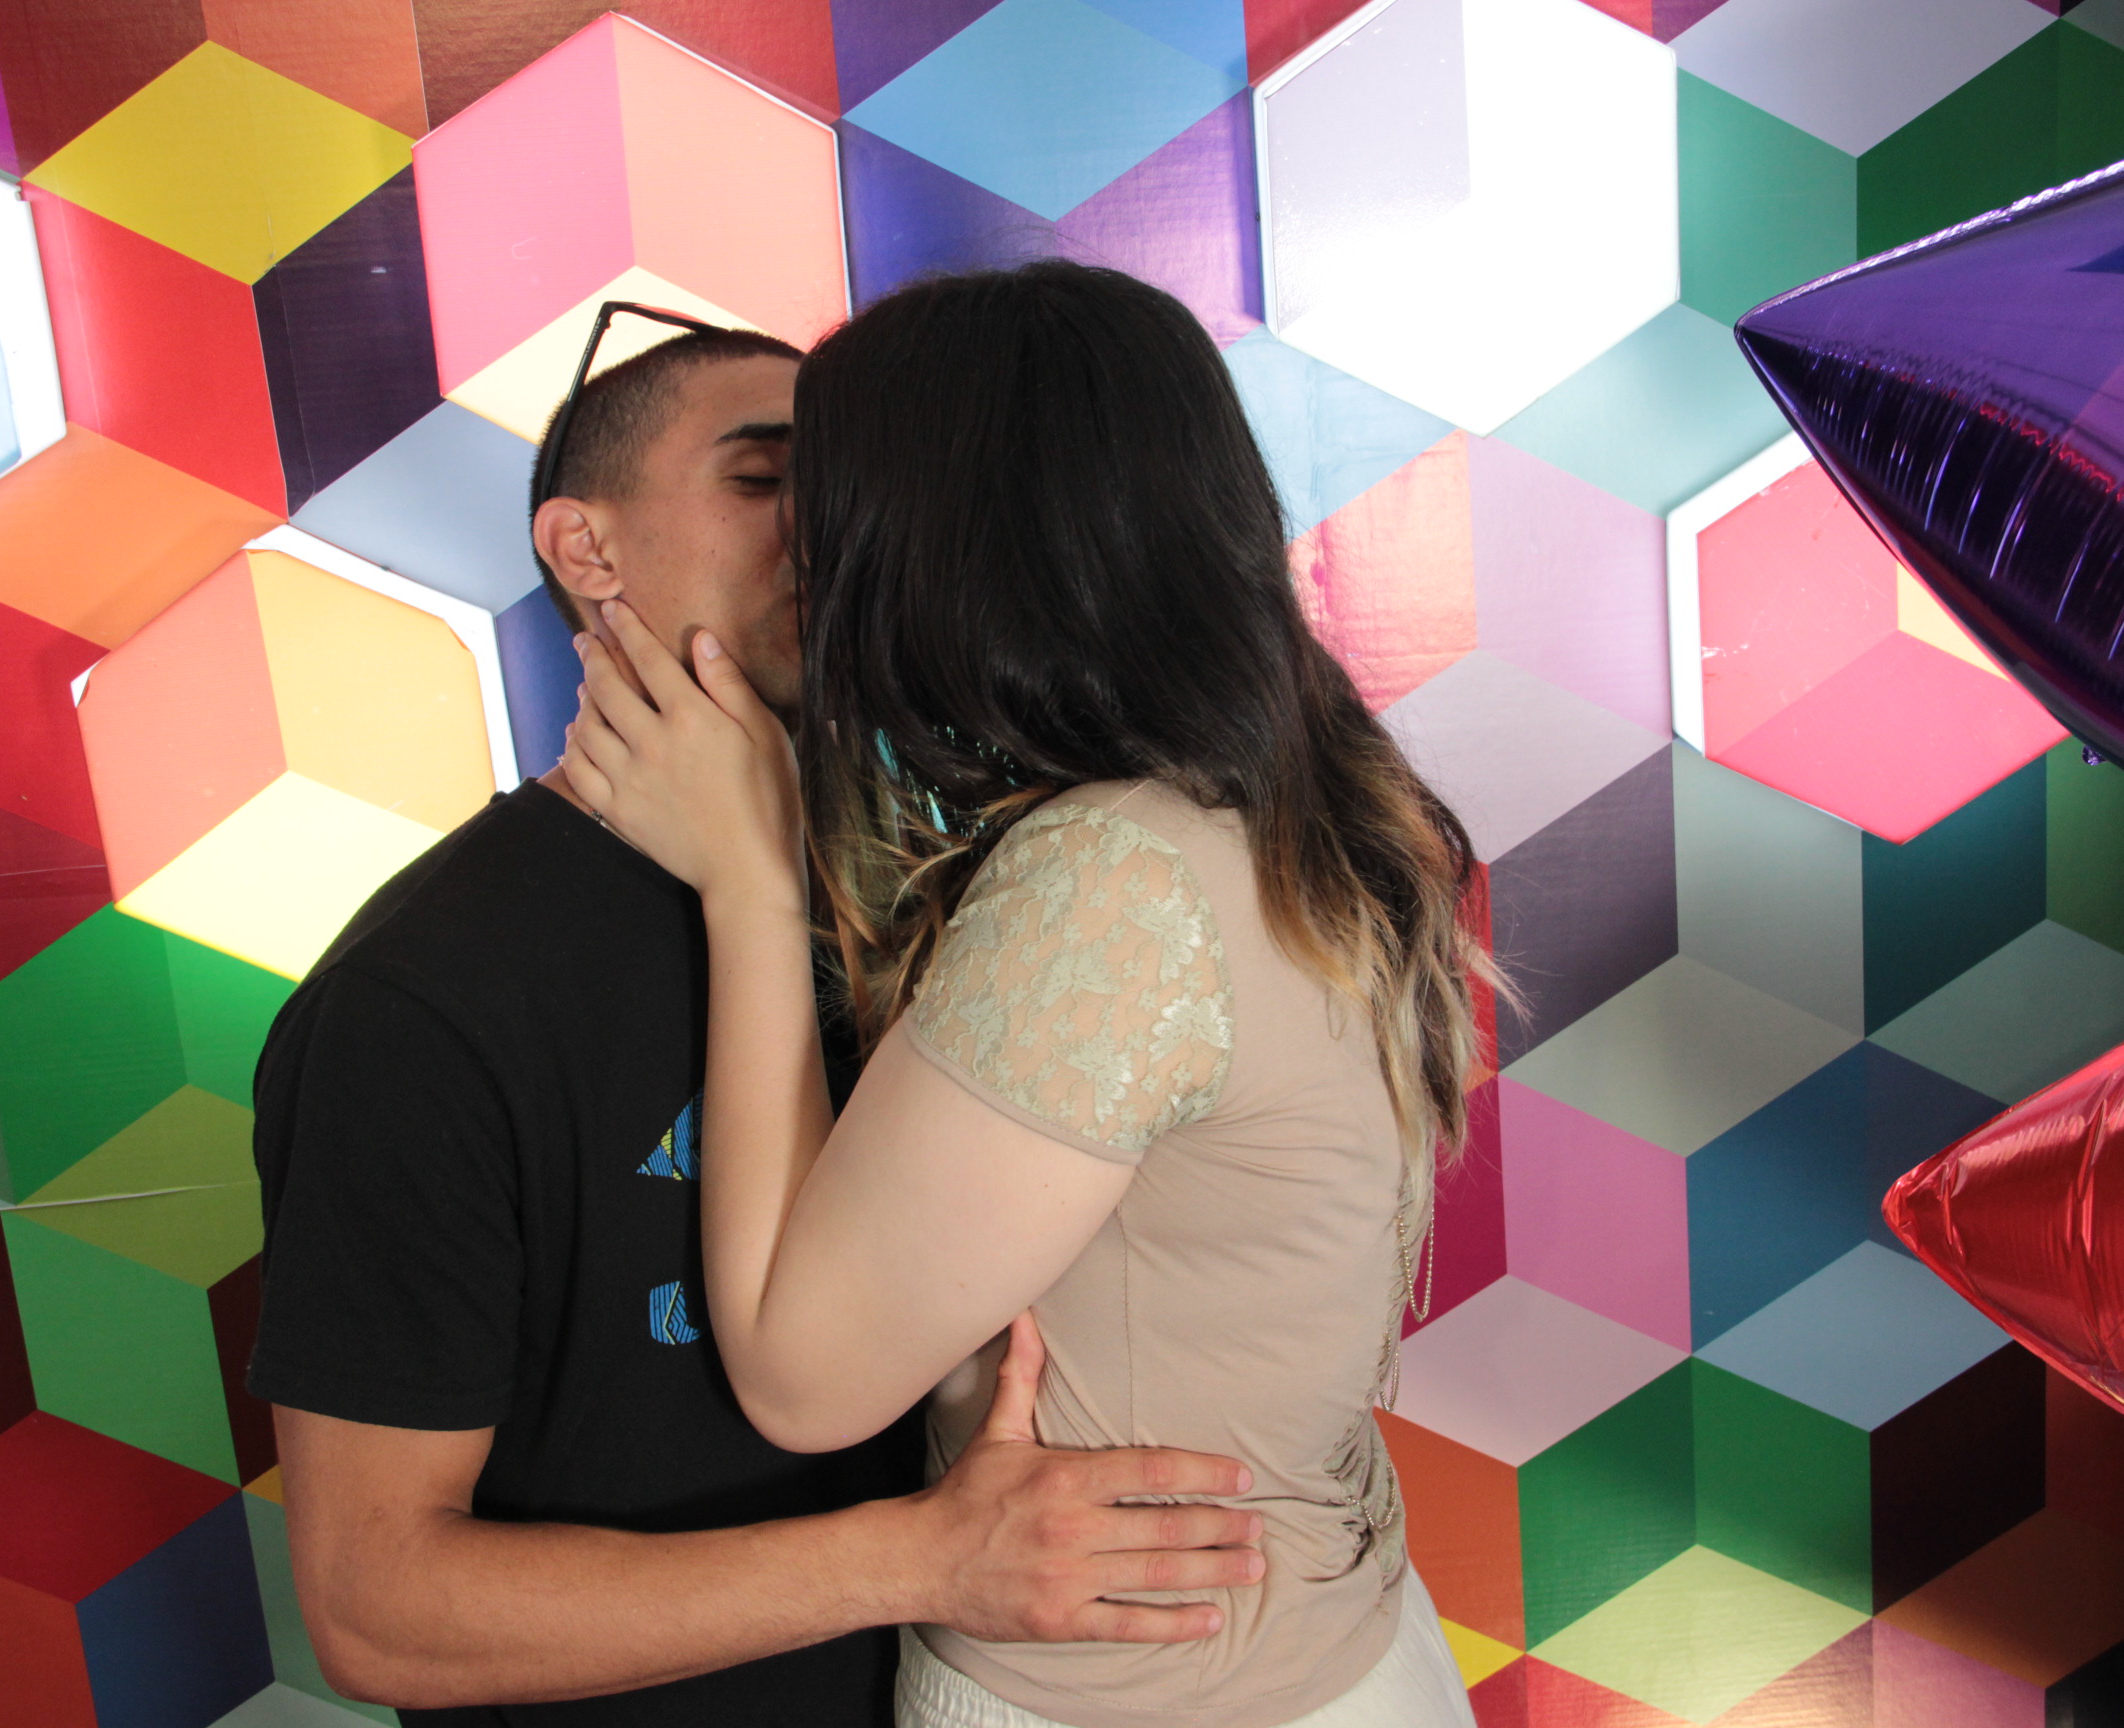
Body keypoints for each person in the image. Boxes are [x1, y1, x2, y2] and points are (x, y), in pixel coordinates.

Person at [247, 319, 1268, 1728]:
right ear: (585, 547)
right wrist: (923, 1561)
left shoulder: (971, 894)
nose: (828, 531)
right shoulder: (419, 1007)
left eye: (849, 489)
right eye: (762, 480)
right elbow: (377, 1609)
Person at [562, 263, 1493, 1728]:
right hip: (1331, 1649)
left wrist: (749, 881)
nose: (808, 554)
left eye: (827, 504)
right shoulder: (1287, 789)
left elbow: (804, 1381)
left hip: (1142, 1700)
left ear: (939, 540)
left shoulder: (1122, 877)